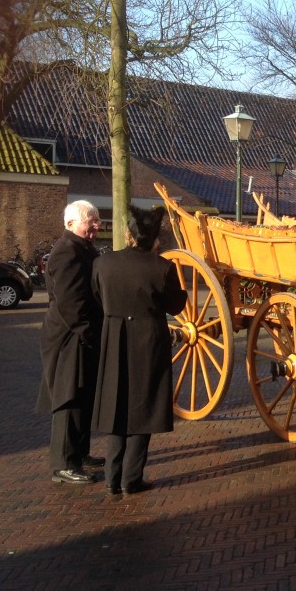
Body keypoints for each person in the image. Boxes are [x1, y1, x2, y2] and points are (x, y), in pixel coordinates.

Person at [91, 206, 187, 496]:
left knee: (116, 402)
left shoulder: (103, 264)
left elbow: (96, 296)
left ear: (127, 234)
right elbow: (176, 305)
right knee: (143, 404)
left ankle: (112, 475)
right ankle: (131, 477)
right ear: (155, 238)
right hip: (148, 340)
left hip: (113, 338)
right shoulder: (161, 267)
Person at [37, 200, 104, 485]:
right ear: (70, 224)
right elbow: (71, 302)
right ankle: (64, 464)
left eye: (97, 220)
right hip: (69, 337)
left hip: (78, 335)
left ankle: (80, 453)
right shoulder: (66, 253)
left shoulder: (81, 249)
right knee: (69, 397)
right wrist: (88, 333)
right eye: (91, 220)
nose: (97, 226)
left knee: (83, 395)